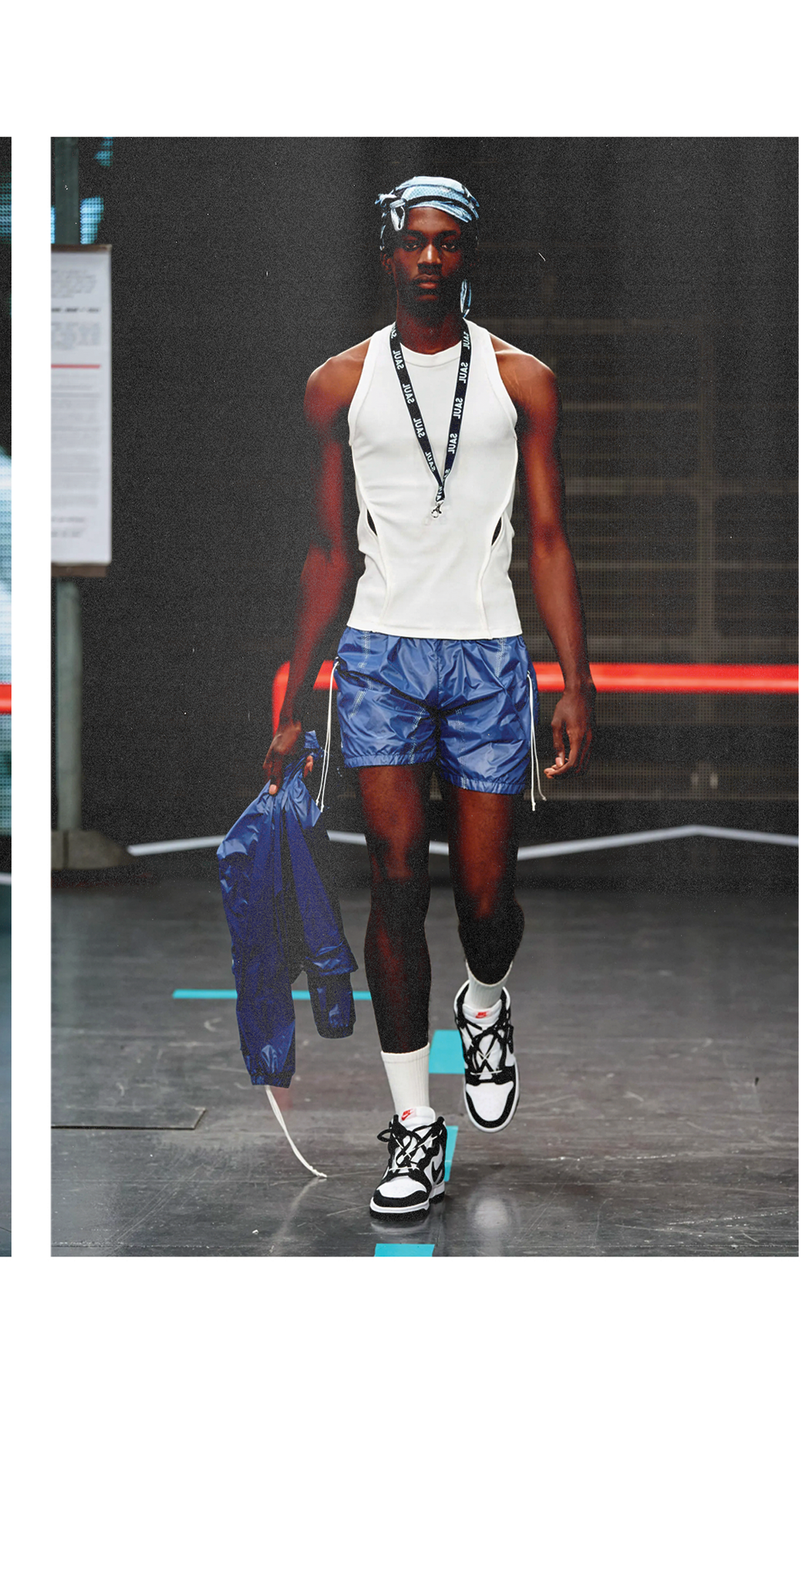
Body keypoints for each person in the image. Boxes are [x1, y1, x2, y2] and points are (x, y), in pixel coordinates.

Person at [262, 175, 595, 1220]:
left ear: (468, 256)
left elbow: (549, 538)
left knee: (486, 903)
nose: (429, 258)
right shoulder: (339, 385)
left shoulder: (522, 381)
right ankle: (415, 1123)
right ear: (387, 253)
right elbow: (328, 548)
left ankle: (484, 1000)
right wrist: (295, 693)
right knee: (396, 882)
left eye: (447, 242)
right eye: (413, 241)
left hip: (488, 656)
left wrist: (574, 678)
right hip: (380, 660)